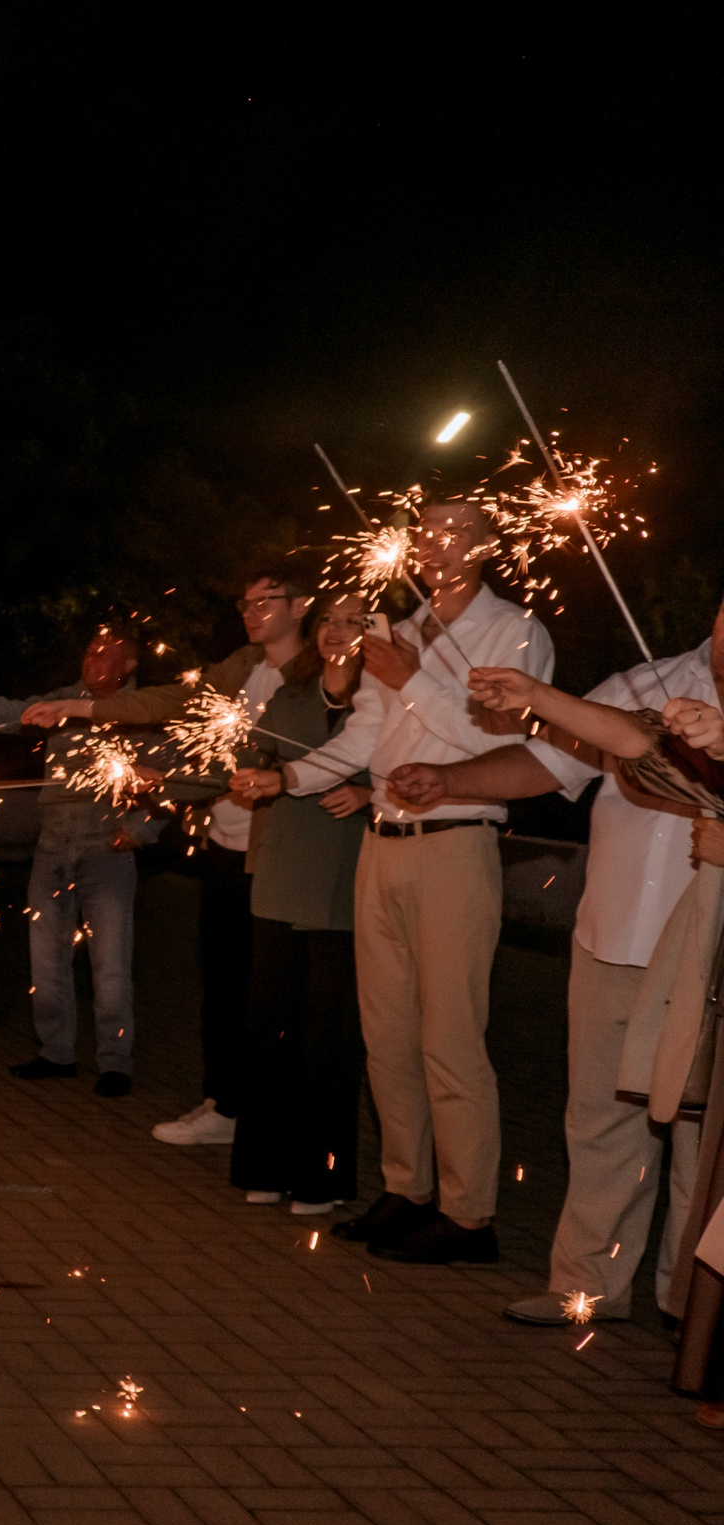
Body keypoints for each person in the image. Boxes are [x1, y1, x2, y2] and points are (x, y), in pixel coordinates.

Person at [233, 503, 556, 1265]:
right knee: (385, 1035)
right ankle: (406, 1188)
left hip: (454, 842)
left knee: (449, 1035)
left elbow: (500, 738)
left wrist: (414, 681)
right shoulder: (401, 630)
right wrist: (288, 776)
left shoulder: (515, 631)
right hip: (382, 843)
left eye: (453, 528)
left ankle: (469, 1213)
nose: (431, 540)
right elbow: (367, 734)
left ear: (486, 544)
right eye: (425, 528)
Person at [387, 604, 719, 1326]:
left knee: (700, 1136)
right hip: (611, 935)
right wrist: (452, 781)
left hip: (705, 958)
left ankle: (688, 1303)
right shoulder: (644, 680)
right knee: (599, 1119)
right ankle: (585, 1284)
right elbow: (551, 760)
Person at [29, 569, 320, 1144]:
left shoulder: (311, 678)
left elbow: (261, 759)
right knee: (222, 985)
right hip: (226, 844)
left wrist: (166, 786)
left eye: (269, 600)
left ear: (302, 605)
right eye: (247, 600)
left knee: (266, 991)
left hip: (275, 852)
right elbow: (175, 704)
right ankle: (224, 1103)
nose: (253, 609)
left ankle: (258, 1113)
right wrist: (81, 710)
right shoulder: (241, 666)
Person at [0, 623, 160, 1097]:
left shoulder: (143, 712)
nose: (93, 658)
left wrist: (141, 829)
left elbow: (167, 776)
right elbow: (11, 715)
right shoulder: (64, 699)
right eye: (90, 649)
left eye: (106, 652)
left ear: (129, 665)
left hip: (106, 850)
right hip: (52, 846)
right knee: (46, 960)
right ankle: (56, 1053)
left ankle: (115, 1061)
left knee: (110, 966)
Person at [229, 593, 373, 1215]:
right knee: (267, 1028)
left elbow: (396, 760)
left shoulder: (384, 696)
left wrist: (368, 791)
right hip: (282, 871)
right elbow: (256, 756)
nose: (337, 632)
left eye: (354, 622)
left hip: (339, 879)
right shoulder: (291, 687)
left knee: (329, 1037)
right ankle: (263, 1164)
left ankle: (320, 1176)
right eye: (330, 622)